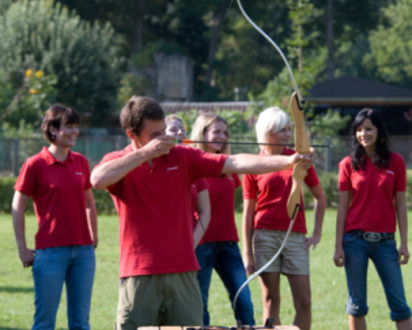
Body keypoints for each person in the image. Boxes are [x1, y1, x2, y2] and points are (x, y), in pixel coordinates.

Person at [90, 96, 314, 329]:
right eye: (154, 135)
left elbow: (235, 163)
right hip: (139, 271)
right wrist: (146, 153)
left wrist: (288, 161)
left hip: (184, 271)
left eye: (164, 131)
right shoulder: (118, 161)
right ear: (132, 135)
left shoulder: (183, 157)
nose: (164, 139)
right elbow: (97, 179)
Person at [12, 104, 98, 330]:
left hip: (83, 253)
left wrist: (93, 236)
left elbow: (89, 202)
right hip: (49, 253)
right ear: (52, 130)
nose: (75, 131)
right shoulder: (34, 164)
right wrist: (22, 248)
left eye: (76, 126)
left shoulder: (80, 161)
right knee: (44, 323)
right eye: (68, 126)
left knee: (81, 323)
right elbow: (17, 206)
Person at [242, 107, 326, 330]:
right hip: (264, 236)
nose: (288, 133)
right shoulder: (253, 163)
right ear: (268, 132)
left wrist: (317, 233)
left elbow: (320, 198)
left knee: (305, 303)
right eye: (282, 130)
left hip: (295, 235)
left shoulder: (299, 159)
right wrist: (247, 252)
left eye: (290, 128)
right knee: (271, 300)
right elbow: (248, 210)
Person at [333, 108, 412, 330]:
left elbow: (400, 205)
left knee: (400, 306)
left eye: (368, 128)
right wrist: (338, 246)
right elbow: (342, 207)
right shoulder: (347, 164)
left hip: (386, 243)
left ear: (379, 130)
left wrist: (404, 243)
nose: (363, 134)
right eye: (359, 130)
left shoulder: (395, 162)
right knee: (356, 305)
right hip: (354, 242)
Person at [189, 113, 255, 326]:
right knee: (201, 305)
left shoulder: (228, 168)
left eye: (225, 132)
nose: (222, 136)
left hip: (228, 242)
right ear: (202, 133)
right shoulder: (192, 165)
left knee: (243, 301)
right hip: (201, 243)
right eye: (216, 131)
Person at [165, 114, 211, 247]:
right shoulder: (154, 165)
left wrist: (192, 243)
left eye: (182, 130)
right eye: (173, 130)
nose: (180, 132)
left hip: (192, 245)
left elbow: (205, 211)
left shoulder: (192, 167)